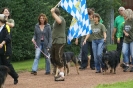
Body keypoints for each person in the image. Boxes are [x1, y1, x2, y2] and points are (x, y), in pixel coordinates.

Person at [0, 7, 19, 84]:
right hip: (0, 50)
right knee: (0, 66)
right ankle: (1, 81)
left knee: (7, 65)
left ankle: (15, 76)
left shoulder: (6, 27)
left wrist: (2, 43)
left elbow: (8, 37)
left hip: (6, 50)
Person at [50, 7, 66, 81]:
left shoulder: (60, 18)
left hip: (60, 41)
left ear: (55, 13)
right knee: (53, 58)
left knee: (58, 57)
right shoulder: (55, 20)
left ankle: (62, 75)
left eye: (53, 14)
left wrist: (53, 12)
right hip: (55, 41)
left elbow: (59, 21)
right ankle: (59, 73)